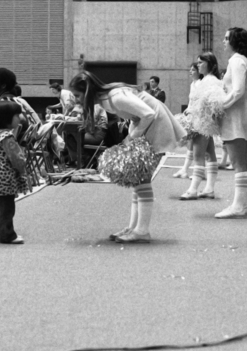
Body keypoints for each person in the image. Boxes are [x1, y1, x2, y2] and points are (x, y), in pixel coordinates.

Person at [69, 71, 186, 244]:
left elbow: (148, 114)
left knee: (142, 179)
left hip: (155, 127)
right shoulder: (108, 99)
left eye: (77, 95)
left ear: (87, 91)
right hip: (148, 128)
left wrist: (131, 137)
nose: (76, 100)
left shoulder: (115, 98)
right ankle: (134, 228)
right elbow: (136, 116)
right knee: (137, 178)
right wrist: (131, 136)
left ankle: (142, 230)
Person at [215, 27, 247, 219]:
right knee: (242, 162)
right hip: (238, 113)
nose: (223, 41)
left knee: (238, 162)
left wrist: (220, 105)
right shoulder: (240, 60)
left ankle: (239, 206)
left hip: (236, 115)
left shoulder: (237, 61)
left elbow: (239, 91)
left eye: (226, 38)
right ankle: (242, 204)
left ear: (235, 40)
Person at [179, 52, 223, 200]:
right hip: (202, 121)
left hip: (201, 122)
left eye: (200, 62)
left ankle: (193, 190)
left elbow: (215, 102)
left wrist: (197, 115)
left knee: (199, 156)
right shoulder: (207, 81)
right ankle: (209, 188)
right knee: (210, 155)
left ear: (209, 63)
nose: (197, 65)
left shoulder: (210, 82)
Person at [0, 101, 27, 244]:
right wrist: (22, 166)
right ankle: (7, 235)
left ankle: (6, 233)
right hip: (4, 177)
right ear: (7, 118)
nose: (20, 117)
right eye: (17, 115)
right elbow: (16, 157)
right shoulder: (7, 137)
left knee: (3, 208)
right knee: (7, 209)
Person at [173, 62, 202, 179]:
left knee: (198, 145)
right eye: (190, 70)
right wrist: (187, 111)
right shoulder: (192, 84)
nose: (190, 72)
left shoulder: (201, 83)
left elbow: (200, 101)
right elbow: (191, 101)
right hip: (191, 116)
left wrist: (193, 111)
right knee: (191, 143)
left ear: (198, 72)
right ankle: (186, 169)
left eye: (193, 70)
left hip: (199, 117)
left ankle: (198, 170)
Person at [63, 103, 108, 167]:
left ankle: (82, 160)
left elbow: (92, 124)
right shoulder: (89, 106)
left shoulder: (96, 105)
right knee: (69, 135)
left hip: (98, 134)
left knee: (73, 136)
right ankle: (82, 159)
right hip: (92, 132)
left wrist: (81, 118)